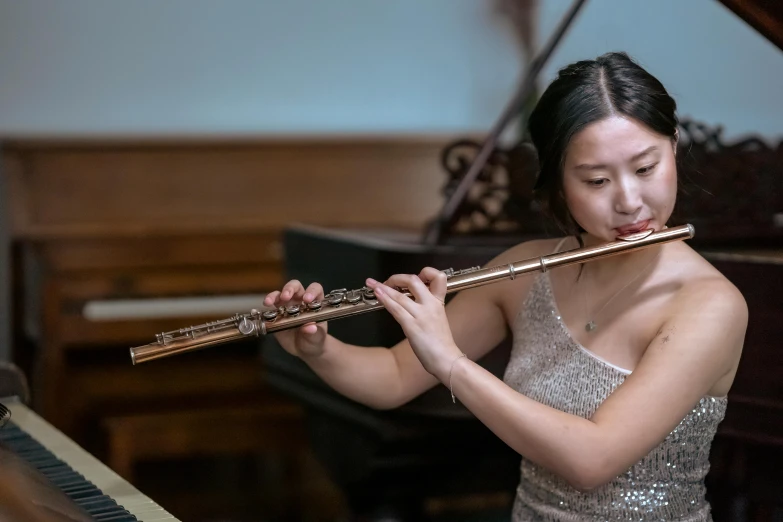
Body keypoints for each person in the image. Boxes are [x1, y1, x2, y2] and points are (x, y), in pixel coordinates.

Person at [263, 52, 747, 521]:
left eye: (646, 168)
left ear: (675, 145)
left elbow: (592, 460)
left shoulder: (709, 305)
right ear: (559, 181)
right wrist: (317, 349)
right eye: (597, 181)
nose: (629, 200)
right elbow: (393, 378)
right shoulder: (526, 270)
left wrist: (450, 362)